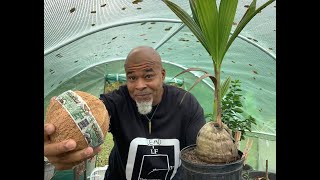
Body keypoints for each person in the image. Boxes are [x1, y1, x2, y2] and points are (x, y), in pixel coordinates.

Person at [44, 46, 206, 180]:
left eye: (148, 76)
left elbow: (197, 159)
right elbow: (96, 113)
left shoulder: (186, 104)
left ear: (162, 75)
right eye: (132, 78)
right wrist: (60, 140)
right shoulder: (118, 102)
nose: (139, 85)